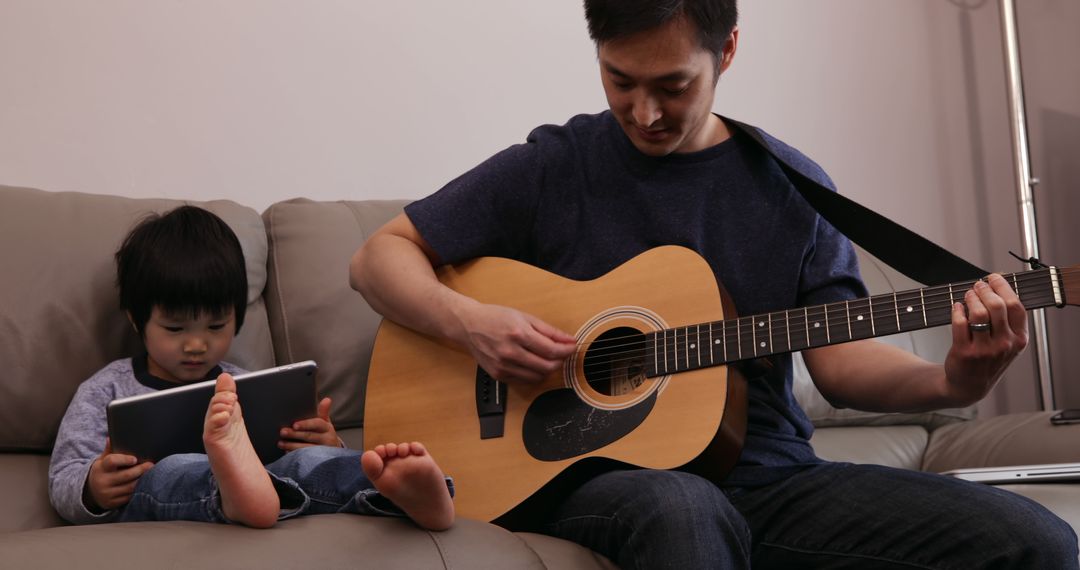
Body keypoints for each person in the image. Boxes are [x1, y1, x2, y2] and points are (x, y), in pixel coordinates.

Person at [349, 0, 1078, 567]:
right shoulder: (553, 165)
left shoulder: (790, 186)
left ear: (727, 49)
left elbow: (842, 367)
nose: (643, 112)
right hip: (586, 478)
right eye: (619, 80)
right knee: (685, 508)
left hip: (771, 479)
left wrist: (955, 385)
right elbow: (378, 258)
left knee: (1037, 542)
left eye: (672, 85)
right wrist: (470, 323)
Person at [49, 205, 454, 531]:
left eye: (215, 326)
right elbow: (65, 476)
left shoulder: (243, 383)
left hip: (267, 484)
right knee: (172, 468)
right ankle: (231, 488)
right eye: (175, 328)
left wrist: (326, 445)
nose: (196, 343)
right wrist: (93, 488)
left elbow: (295, 457)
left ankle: (396, 493)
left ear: (238, 319)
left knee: (305, 465)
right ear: (137, 321)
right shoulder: (106, 389)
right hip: (159, 493)